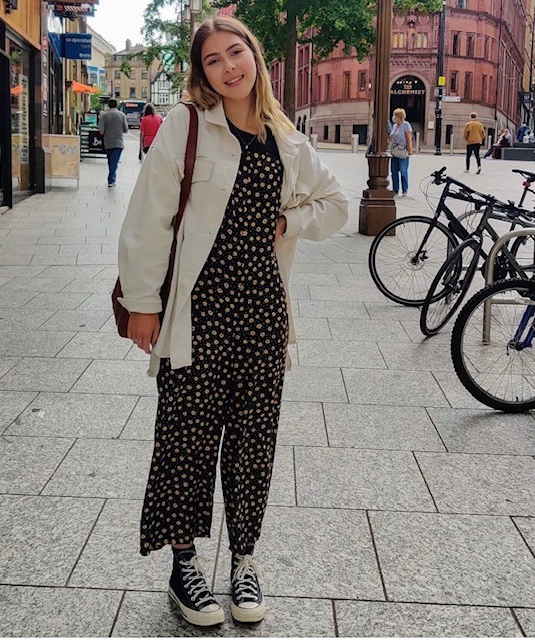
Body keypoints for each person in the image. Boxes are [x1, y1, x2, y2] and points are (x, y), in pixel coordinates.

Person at [117, 16, 348, 628]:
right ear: (203, 72)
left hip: (263, 316)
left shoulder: (287, 139)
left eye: (236, 52)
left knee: (253, 445)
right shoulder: (186, 126)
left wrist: (290, 223)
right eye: (213, 60)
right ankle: (184, 564)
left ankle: (243, 559)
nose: (228, 67)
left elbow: (336, 206)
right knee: (185, 440)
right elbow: (148, 217)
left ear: (255, 57)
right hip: (197, 313)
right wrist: (143, 301)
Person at [98, 98, 128, 186]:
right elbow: (126, 129)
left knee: (110, 161)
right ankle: (111, 179)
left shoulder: (104, 115)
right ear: (117, 105)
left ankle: (111, 178)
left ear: (108, 105)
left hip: (108, 142)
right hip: (119, 142)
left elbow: (101, 131)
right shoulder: (122, 115)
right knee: (114, 161)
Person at [389, 108, 413, 197]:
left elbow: (409, 138)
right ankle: (395, 190)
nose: (394, 118)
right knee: (394, 171)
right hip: (395, 151)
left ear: (400, 117)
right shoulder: (395, 126)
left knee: (403, 171)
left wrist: (410, 149)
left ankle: (405, 190)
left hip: (403, 151)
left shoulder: (406, 125)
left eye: (395, 116)